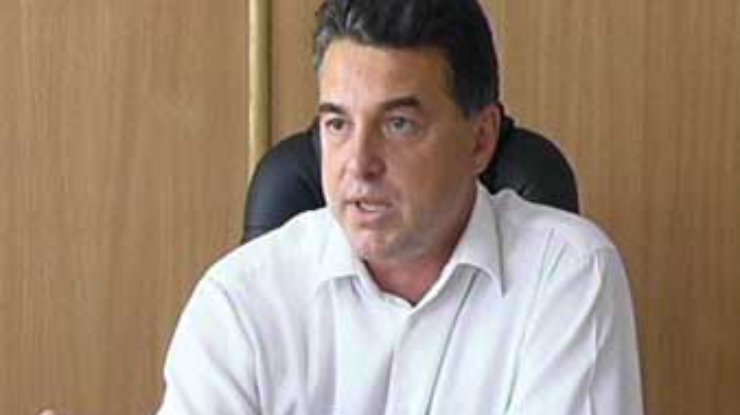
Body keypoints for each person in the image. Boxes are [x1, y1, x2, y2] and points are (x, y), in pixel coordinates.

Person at [157, 0, 643, 413]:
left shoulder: (565, 273)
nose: (359, 164)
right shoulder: (240, 302)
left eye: (398, 125)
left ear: (480, 140)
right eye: (338, 125)